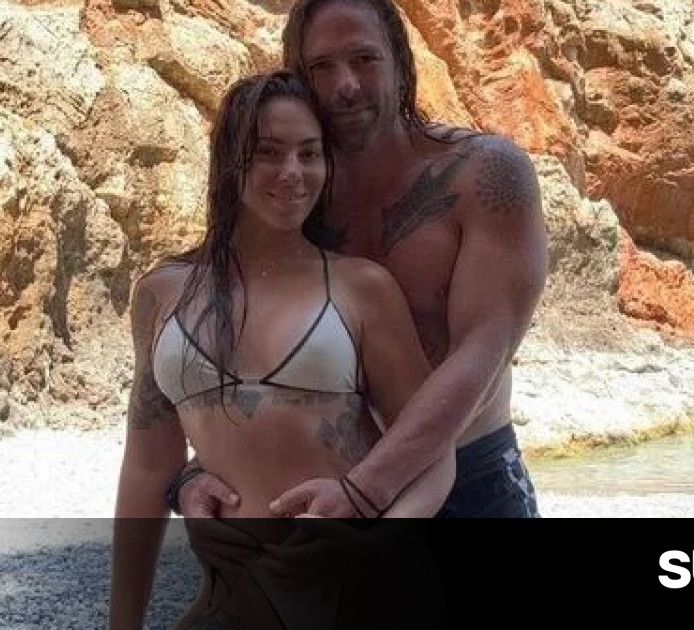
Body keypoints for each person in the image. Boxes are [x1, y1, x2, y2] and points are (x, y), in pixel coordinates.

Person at [174, 0, 549, 521]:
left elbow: (485, 347)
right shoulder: (295, 189)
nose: (345, 85)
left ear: (400, 60)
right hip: (325, 482)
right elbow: (240, 335)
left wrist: (368, 488)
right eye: (321, 67)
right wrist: (195, 472)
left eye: (364, 59)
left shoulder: (483, 175)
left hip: (467, 475)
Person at [109, 70, 455, 630]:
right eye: (268, 152)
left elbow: (433, 453)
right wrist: (122, 623)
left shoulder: (361, 288)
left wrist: (375, 540)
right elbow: (148, 467)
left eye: (309, 153)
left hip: (372, 590)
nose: (292, 172)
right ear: (229, 161)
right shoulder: (161, 294)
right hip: (237, 600)